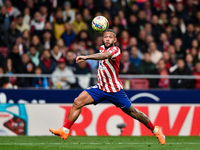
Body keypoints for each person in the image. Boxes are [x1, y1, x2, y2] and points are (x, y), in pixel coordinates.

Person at [49, 29, 166, 145]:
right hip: (100, 88)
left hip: (114, 90)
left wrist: (86, 57)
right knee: (77, 102)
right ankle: (65, 130)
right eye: (106, 37)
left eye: (110, 37)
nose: (108, 39)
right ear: (103, 39)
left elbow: (104, 56)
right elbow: (102, 53)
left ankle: (156, 130)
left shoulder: (116, 50)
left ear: (115, 40)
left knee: (134, 113)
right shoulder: (101, 47)